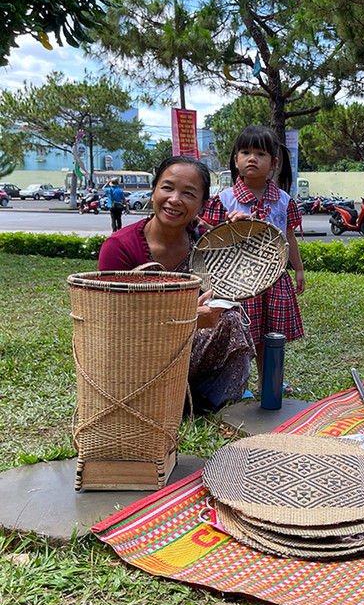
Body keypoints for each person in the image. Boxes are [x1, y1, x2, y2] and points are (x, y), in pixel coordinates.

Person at [98, 157, 255, 413]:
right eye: (167, 188)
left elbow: (239, 279)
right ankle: (160, 399)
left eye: (188, 193)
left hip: (186, 350)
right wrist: (188, 319)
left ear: (203, 205)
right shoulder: (120, 247)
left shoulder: (203, 244)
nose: (174, 199)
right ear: (153, 191)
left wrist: (240, 234)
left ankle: (207, 400)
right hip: (136, 354)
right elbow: (116, 322)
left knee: (232, 319)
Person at [202, 125, 305, 385]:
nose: (252, 158)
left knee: (271, 336)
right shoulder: (223, 200)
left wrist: (299, 269)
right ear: (235, 160)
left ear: (273, 163)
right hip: (236, 281)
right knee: (241, 334)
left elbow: (289, 237)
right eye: (245, 152)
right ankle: (241, 384)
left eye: (260, 153)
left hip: (274, 278)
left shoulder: (283, 201)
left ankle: (271, 382)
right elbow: (208, 239)